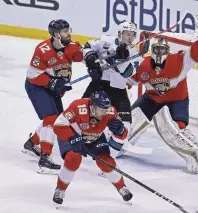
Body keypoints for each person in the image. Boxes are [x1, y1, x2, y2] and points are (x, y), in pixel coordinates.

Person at [121, 34, 198, 173]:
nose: (159, 53)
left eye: (162, 50)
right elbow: (128, 82)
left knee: (175, 128)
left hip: (176, 100)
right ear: (152, 50)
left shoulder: (179, 60)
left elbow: (197, 55)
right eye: (156, 49)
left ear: (168, 51)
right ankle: (117, 145)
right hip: (152, 100)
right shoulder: (144, 65)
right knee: (131, 119)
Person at [22, 19, 83, 174]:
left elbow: (81, 56)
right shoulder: (42, 50)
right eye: (64, 31)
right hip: (37, 87)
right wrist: (53, 83)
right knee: (51, 119)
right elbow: (32, 76)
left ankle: (32, 143)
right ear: (56, 35)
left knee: (56, 120)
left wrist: (93, 58)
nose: (68, 33)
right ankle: (45, 159)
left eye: (68, 29)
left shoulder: (72, 45)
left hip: (53, 89)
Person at [52, 90, 133, 205]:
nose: (105, 112)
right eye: (101, 109)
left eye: (106, 108)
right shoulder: (77, 106)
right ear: (92, 107)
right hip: (71, 135)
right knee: (73, 159)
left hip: (94, 137)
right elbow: (58, 125)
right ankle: (60, 189)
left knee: (106, 161)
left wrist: (120, 131)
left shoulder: (110, 111)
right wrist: (73, 137)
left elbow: (123, 135)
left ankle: (121, 187)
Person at [82, 21, 142, 136]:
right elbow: (88, 46)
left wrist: (120, 61)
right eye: (127, 34)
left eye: (133, 34)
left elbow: (128, 73)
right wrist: (91, 61)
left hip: (118, 90)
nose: (130, 37)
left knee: (125, 124)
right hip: (98, 84)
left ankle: (117, 141)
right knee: (83, 109)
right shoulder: (106, 41)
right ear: (120, 34)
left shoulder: (134, 53)